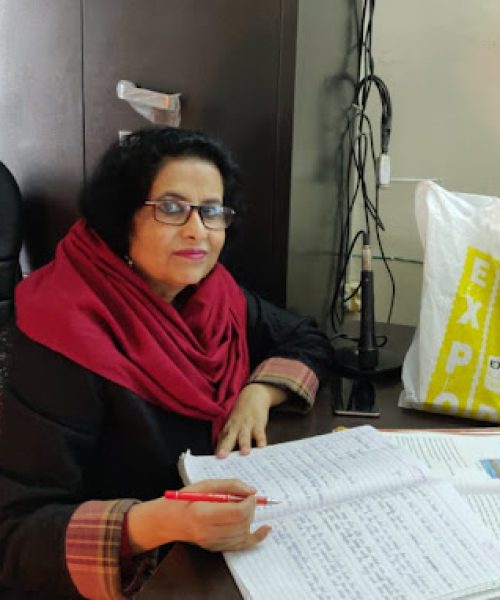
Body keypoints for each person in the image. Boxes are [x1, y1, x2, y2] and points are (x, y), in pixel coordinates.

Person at [0, 127, 334, 599]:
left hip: (207, 542)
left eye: (211, 211)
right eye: (172, 208)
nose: (198, 230)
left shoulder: (212, 294)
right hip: (127, 570)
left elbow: (305, 338)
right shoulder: (60, 335)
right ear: (122, 218)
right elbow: (15, 534)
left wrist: (260, 392)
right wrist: (159, 521)